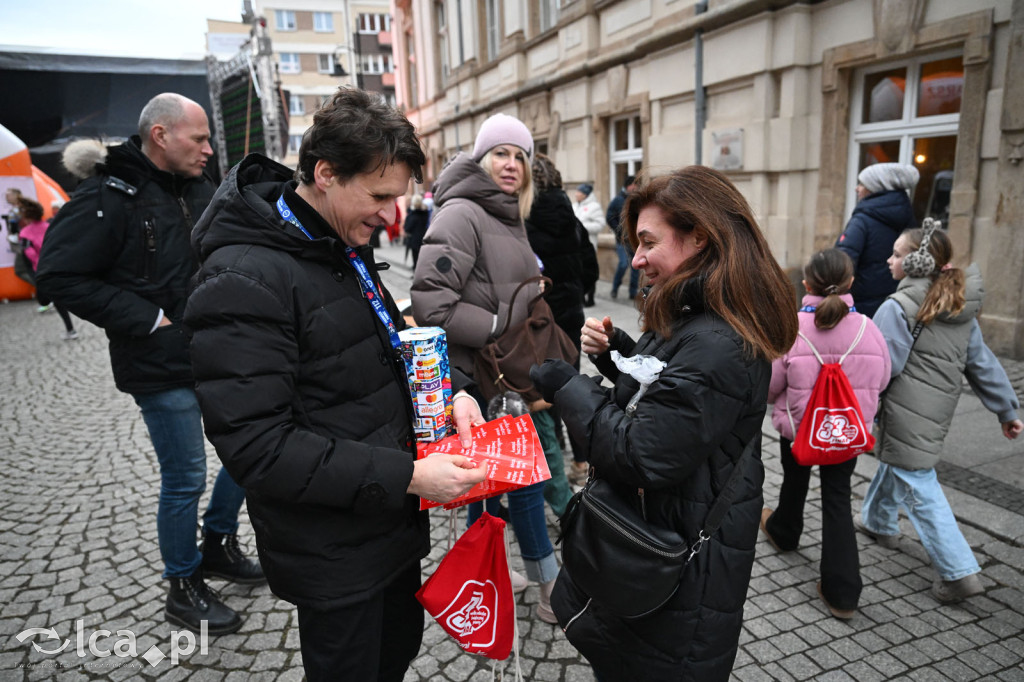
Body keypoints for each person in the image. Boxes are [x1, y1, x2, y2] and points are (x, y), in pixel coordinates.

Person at [183, 87, 487, 682]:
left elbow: (375, 349)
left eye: (395, 198)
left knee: (393, 656)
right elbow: (259, 448)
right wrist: (410, 476)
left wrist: (446, 396)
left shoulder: (334, 243)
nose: (389, 216)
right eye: (378, 196)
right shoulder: (243, 277)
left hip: (387, 529)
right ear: (325, 174)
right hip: (335, 549)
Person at [530, 165, 799, 680]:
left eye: (648, 242)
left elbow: (642, 452)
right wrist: (618, 357)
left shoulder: (718, 341)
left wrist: (570, 387)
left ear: (698, 236)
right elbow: (671, 393)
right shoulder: (694, 309)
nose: (636, 259)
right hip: (660, 540)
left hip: (682, 573)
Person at [35, 93, 262, 636]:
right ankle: (183, 586)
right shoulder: (107, 197)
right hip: (159, 365)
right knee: (184, 476)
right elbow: (58, 277)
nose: (209, 149)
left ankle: (219, 543)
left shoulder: (206, 188)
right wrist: (147, 317)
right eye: (199, 138)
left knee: (249, 450)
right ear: (160, 135)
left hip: (219, 353)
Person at [410, 112, 568, 624]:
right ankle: (550, 588)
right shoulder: (462, 213)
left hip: (503, 375)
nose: (511, 164)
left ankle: (495, 568)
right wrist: (501, 319)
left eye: (520, 156)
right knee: (523, 480)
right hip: (480, 376)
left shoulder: (506, 214)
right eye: (500, 152)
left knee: (493, 479)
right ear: (480, 157)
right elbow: (430, 303)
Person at [858, 224, 1022, 603]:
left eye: (898, 254)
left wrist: (863, 411)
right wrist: (1006, 408)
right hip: (933, 411)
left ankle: (958, 572)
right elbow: (981, 361)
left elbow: (881, 370)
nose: (889, 259)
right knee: (900, 462)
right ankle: (877, 521)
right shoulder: (957, 303)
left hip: (903, 410)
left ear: (916, 263)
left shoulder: (896, 307)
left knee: (918, 483)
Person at [762, 248, 890, 619]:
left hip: (800, 430)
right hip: (846, 433)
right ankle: (842, 592)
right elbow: (882, 380)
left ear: (806, 285)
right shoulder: (869, 328)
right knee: (837, 499)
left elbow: (771, 386)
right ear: (850, 283)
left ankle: (785, 531)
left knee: (795, 480)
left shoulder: (792, 330)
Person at [526, 154, 596, 485]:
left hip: (539, 317)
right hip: (571, 311)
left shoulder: (521, 221)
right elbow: (591, 266)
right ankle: (582, 463)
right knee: (571, 382)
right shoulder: (573, 219)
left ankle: (552, 462)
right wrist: (579, 290)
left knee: (543, 390)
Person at [835, 162, 919, 317]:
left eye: (862, 184)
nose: (857, 188)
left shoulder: (862, 219)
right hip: (897, 301)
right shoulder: (908, 216)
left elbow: (843, 261)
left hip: (861, 304)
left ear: (874, 187)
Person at [15, 196, 78, 338]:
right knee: (54, 299)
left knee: (48, 299)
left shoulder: (25, 234)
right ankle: (70, 329)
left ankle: (70, 330)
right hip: (56, 265)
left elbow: (29, 255)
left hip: (42, 270)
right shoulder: (49, 227)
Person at [606, 175, 639, 299]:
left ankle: (632, 292)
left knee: (636, 267)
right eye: (634, 185)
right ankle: (615, 287)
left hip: (635, 240)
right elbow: (609, 217)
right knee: (623, 264)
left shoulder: (637, 199)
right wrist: (618, 231)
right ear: (628, 185)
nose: (636, 187)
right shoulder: (618, 200)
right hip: (622, 240)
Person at [573, 182, 604, 306]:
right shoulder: (574, 206)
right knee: (578, 271)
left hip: (589, 245)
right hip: (575, 246)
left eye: (579, 192)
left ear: (585, 194)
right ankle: (581, 296)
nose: (576, 194)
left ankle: (590, 297)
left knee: (589, 269)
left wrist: (582, 227)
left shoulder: (594, 207)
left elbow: (600, 224)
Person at [402, 193, 430, 267]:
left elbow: (408, 228)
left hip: (414, 239)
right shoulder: (425, 213)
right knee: (422, 257)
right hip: (423, 237)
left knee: (415, 257)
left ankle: (416, 272)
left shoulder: (413, 214)